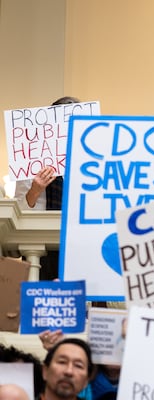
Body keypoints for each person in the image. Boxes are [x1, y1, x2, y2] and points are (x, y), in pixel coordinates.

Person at [14, 96, 80, 281]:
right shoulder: (30, 162)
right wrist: (35, 189)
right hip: (42, 252)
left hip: (78, 246)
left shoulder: (90, 165)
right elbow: (18, 214)